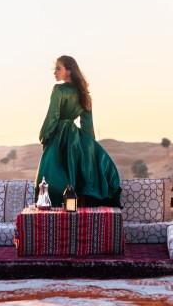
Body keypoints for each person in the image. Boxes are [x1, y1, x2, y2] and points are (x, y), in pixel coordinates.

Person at [35, 55, 121, 208]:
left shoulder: (58, 90)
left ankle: (52, 211)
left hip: (58, 137)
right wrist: (89, 147)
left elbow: (53, 117)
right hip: (77, 138)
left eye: (58, 68)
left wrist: (44, 136)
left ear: (68, 71)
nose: (54, 72)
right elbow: (87, 123)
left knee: (48, 177)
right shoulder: (84, 93)